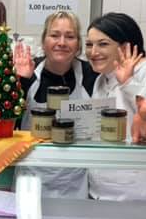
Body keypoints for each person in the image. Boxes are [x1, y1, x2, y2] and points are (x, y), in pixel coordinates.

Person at [85, 12, 146, 201]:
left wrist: (129, 83)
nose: (93, 52)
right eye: (89, 44)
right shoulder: (101, 79)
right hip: (100, 191)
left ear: (125, 47)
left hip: (137, 194)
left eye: (103, 44)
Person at [14, 11, 97, 198]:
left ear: (78, 45)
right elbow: (3, 123)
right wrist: (20, 82)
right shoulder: (28, 71)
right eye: (54, 35)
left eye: (70, 36)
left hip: (77, 180)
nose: (62, 42)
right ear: (44, 42)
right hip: (32, 177)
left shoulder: (91, 74)